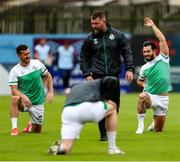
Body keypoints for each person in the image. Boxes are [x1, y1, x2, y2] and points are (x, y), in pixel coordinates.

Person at [80, 11, 134, 141]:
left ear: (104, 21)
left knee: (114, 106)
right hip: (97, 77)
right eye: (92, 23)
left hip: (114, 76)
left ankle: (110, 130)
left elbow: (127, 52)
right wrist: (87, 74)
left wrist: (129, 69)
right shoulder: (89, 39)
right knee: (101, 105)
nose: (93, 26)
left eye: (96, 23)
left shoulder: (117, 35)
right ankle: (103, 134)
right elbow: (83, 58)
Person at [48, 76, 125, 155]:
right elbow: (111, 82)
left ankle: (59, 148)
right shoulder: (101, 84)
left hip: (67, 112)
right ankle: (112, 148)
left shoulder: (77, 87)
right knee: (113, 109)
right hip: (83, 108)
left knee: (66, 148)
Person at [135, 17, 171, 134]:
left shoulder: (163, 58)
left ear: (154, 51)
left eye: (148, 51)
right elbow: (139, 81)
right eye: (144, 52)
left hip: (163, 99)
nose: (146, 53)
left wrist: (152, 26)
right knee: (141, 97)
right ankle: (140, 127)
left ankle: (154, 123)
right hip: (151, 96)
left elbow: (162, 40)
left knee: (157, 131)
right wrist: (144, 84)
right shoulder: (144, 68)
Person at [8, 44, 54, 136]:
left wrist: (51, 91)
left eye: (29, 53)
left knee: (36, 131)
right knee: (14, 99)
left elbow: (48, 75)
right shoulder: (15, 71)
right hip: (24, 102)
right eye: (25, 54)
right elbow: (14, 90)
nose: (28, 56)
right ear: (19, 56)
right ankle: (14, 128)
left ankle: (30, 124)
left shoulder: (37, 63)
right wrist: (23, 96)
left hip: (37, 102)